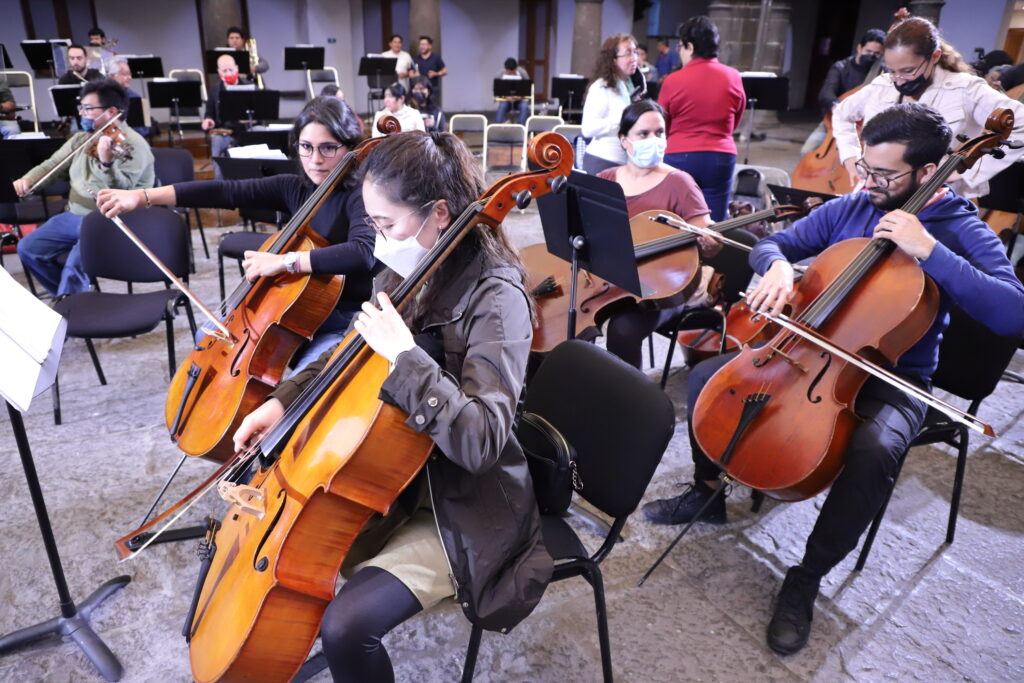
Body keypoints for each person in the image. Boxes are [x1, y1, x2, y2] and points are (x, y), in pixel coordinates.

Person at [641, 102, 1024, 656]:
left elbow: (1013, 313)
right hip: (811, 352)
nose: (867, 182)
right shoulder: (852, 205)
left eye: (885, 174)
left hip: (894, 373)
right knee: (708, 383)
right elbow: (779, 243)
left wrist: (931, 251)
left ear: (926, 172)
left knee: (875, 449)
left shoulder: (959, 226)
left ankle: (807, 575)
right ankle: (708, 492)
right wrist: (772, 263)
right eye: (865, 167)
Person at [230, 130, 551, 682]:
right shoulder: (407, 265)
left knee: (346, 625)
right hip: (393, 479)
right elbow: (350, 355)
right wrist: (282, 404)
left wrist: (404, 356)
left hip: (462, 508)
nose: (379, 242)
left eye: (387, 225)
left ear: (439, 214)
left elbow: (481, 441)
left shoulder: (498, 298)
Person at [98, 97, 372, 371]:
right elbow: (224, 191)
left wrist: (285, 261)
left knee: (305, 394)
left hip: (342, 321)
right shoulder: (296, 187)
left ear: (349, 147)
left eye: (328, 148)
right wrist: (142, 196)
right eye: (306, 147)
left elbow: (361, 254)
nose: (315, 160)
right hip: (289, 312)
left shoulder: (363, 196)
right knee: (207, 338)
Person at [833, 16, 1024, 199]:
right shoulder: (882, 85)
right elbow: (842, 114)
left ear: (935, 56)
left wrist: (968, 172)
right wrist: (850, 158)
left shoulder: (966, 89)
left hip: (938, 196)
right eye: (892, 71)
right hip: (878, 191)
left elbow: (1021, 123)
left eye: (908, 71)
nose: (898, 80)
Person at [595, 100, 721, 369]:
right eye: (643, 134)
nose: (654, 140)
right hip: (612, 281)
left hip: (663, 288)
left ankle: (628, 402)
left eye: (659, 132)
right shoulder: (606, 179)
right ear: (624, 141)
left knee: (623, 330)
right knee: (562, 319)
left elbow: (707, 239)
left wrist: (709, 242)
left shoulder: (680, 182)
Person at [14, 78, 154, 298]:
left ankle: (69, 310)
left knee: (75, 264)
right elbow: (51, 166)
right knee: (28, 248)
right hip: (74, 216)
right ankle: (69, 300)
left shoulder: (133, 144)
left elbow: (125, 189)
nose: (82, 114)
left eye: (88, 109)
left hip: (113, 220)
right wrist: (28, 180)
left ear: (111, 111)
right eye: (82, 108)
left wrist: (106, 164)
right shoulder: (81, 139)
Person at [658, 16, 745, 221]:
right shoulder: (733, 76)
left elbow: (662, 124)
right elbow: (736, 119)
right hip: (720, 156)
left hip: (679, 155)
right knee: (713, 226)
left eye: (680, 46)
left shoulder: (673, 80)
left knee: (675, 222)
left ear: (689, 46)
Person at [580, 33, 641, 175]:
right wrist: (624, 120)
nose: (634, 58)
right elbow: (588, 129)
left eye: (635, 52)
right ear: (613, 60)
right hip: (603, 160)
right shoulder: (602, 86)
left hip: (624, 161)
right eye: (628, 53)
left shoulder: (629, 86)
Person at [817, 29, 885, 115]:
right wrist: (838, 107)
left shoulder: (882, 71)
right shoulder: (841, 67)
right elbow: (826, 94)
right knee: (819, 129)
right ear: (859, 48)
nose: (871, 56)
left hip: (865, 119)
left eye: (877, 53)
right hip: (838, 114)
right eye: (868, 51)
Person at [202, 54, 254, 159]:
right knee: (216, 142)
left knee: (261, 131)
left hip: (248, 129)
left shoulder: (250, 87)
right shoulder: (215, 90)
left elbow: (262, 114)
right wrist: (208, 120)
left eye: (231, 69)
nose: (228, 73)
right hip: (225, 131)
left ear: (237, 68)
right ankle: (219, 174)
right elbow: (209, 113)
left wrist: (251, 119)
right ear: (219, 72)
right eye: (224, 71)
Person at [105, 56, 151, 137]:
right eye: (124, 74)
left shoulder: (135, 97)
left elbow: (144, 130)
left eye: (129, 73)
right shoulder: (100, 97)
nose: (129, 77)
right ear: (111, 76)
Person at [494, 58, 531, 125]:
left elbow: (528, 88)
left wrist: (521, 96)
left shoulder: (523, 73)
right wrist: (505, 96)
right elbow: (497, 90)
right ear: (505, 69)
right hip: (506, 100)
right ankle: (497, 126)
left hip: (519, 100)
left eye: (513, 72)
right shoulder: (500, 74)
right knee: (502, 106)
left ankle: (522, 127)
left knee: (524, 106)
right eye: (509, 72)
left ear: (516, 69)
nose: (511, 74)